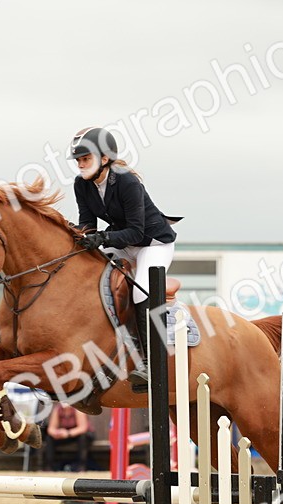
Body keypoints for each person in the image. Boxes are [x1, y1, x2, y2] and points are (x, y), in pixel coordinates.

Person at [69, 127, 181, 392]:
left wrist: (102, 238)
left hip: (152, 244)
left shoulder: (127, 181)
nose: (80, 165)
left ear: (104, 158)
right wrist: (81, 236)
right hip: (122, 244)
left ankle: (150, 363)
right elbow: (87, 223)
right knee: (91, 279)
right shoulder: (81, 184)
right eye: (79, 160)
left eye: (86, 159)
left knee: (141, 292)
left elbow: (136, 232)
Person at [42, 402, 92, 472]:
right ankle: (49, 467)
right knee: (49, 438)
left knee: (82, 438)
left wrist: (68, 433)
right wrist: (57, 433)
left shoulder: (78, 408)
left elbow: (83, 428)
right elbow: (51, 429)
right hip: (65, 434)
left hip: (80, 434)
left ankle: (81, 467)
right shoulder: (58, 409)